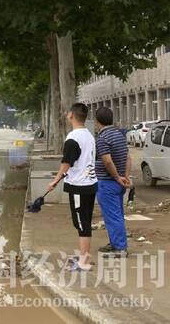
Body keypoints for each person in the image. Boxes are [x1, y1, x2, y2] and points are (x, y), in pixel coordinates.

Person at [48, 103, 98, 271]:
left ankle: (83, 263)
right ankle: (85, 256)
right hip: (90, 184)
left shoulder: (73, 138)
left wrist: (55, 180)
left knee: (82, 224)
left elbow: (67, 163)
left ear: (71, 115)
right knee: (84, 221)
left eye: (67, 112)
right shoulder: (89, 135)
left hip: (79, 186)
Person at [94, 107, 131, 258]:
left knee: (112, 216)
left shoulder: (102, 138)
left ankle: (120, 248)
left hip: (108, 182)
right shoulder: (119, 134)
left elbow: (107, 161)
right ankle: (115, 243)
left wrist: (116, 177)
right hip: (119, 182)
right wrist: (125, 177)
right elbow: (128, 158)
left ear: (97, 121)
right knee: (116, 215)